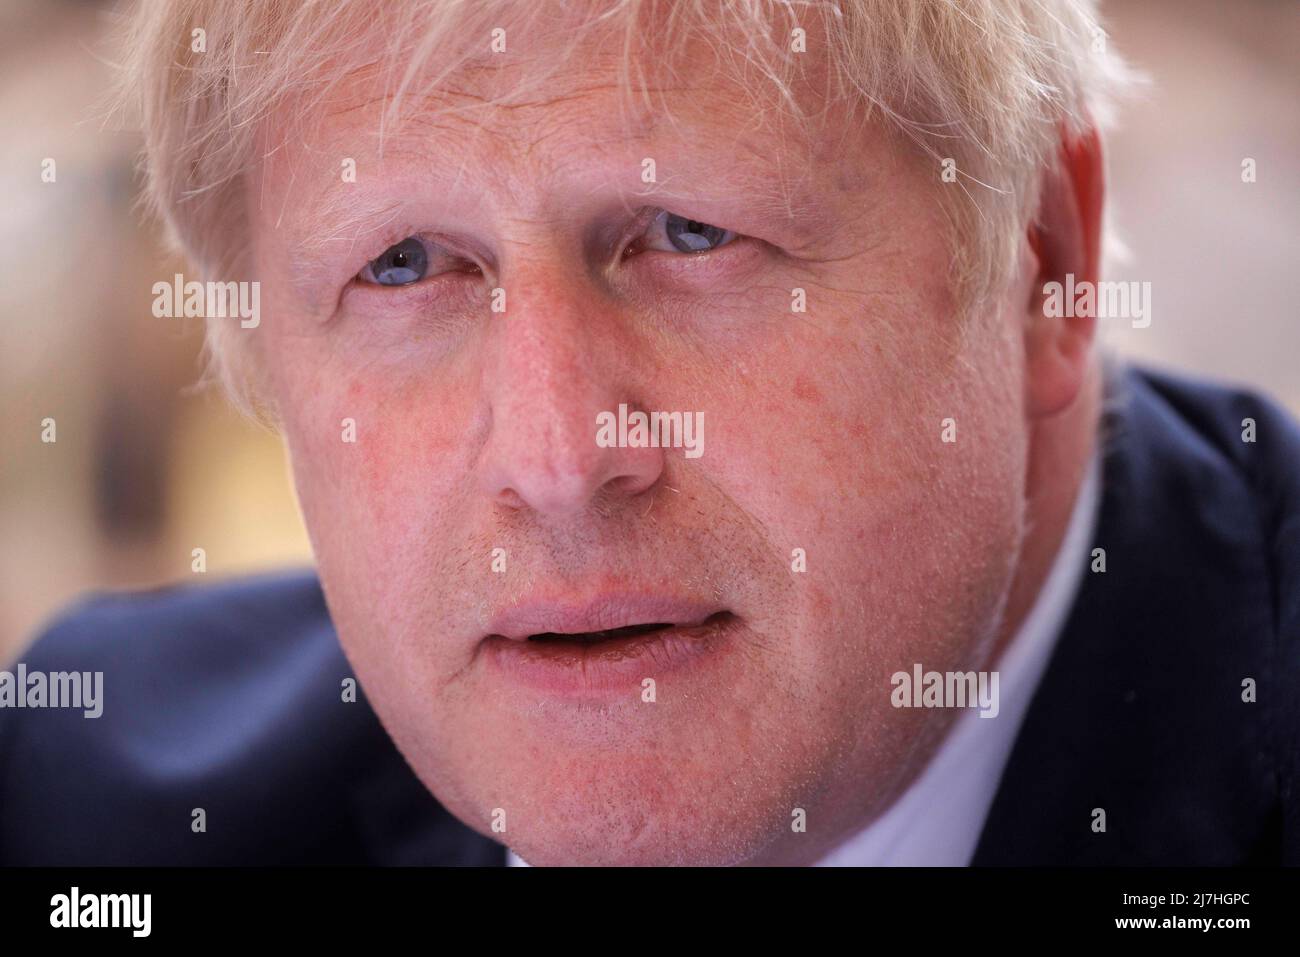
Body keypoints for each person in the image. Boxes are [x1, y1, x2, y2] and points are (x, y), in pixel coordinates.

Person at [2, 0, 1296, 866]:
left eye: (689, 234)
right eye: (403, 264)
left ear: (1043, 261)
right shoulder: (92, 810)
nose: (560, 461)